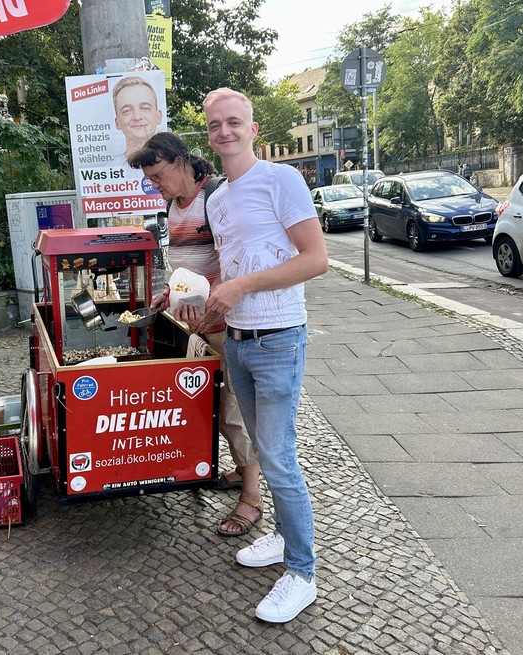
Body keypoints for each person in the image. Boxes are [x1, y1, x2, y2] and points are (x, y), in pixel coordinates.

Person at [197, 87, 329, 624]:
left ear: (253, 128)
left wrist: (241, 286)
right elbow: (233, 266)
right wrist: (203, 295)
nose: (224, 132)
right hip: (238, 341)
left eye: (234, 122)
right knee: (262, 448)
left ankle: (302, 573)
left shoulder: (282, 179)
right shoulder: (218, 198)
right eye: (214, 125)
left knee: (276, 455)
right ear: (206, 133)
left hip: (278, 338)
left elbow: (317, 259)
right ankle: (280, 535)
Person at [127, 132, 264, 538]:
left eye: (156, 175)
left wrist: (199, 295)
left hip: (227, 324)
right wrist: (170, 292)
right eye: (149, 179)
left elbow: (235, 261)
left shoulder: (216, 197)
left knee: (234, 412)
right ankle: (241, 471)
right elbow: (188, 266)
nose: (154, 184)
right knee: (209, 407)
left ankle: (253, 496)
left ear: (178, 160)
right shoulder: (173, 206)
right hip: (196, 324)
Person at [111, 76, 163, 162]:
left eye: (145, 108)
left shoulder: (174, 163)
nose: (137, 117)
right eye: (127, 111)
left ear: (158, 116)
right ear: (117, 122)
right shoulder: (110, 170)